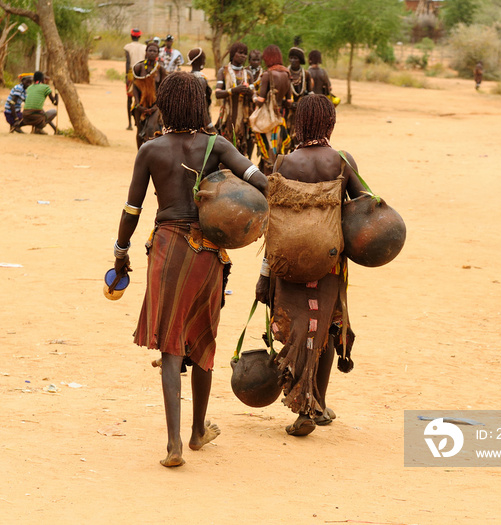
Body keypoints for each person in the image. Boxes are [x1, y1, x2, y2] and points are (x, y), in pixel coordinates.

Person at [109, 72, 268, 467]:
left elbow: (132, 210)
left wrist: (120, 253)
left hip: (166, 249)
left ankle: (174, 445)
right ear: (201, 105)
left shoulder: (151, 150)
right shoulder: (218, 146)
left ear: (164, 104)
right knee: (202, 338)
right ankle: (199, 431)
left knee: (170, 347)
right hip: (207, 252)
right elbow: (260, 181)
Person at [256, 94, 363, 436]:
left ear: (297, 123)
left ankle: (302, 403)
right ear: (330, 123)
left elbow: (273, 222)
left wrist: (264, 276)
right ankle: (317, 403)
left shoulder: (284, 163)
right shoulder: (342, 161)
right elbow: (363, 206)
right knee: (327, 328)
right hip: (329, 264)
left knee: (295, 329)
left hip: (287, 263)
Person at [253, 44, 292, 174]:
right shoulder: (287, 74)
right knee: (279, 151)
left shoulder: (267, 75)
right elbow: (289, 101)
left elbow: (260, 101)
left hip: (268, 120)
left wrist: (252, 95)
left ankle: (268, 182)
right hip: (280, 119)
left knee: (269, 154)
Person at [215, 42, 254, 156]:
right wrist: (233, 91)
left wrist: (249, 92)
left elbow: (253, 95)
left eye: (245, 54)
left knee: (244, 147)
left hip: (244, 119)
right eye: (240, 53)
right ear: (233, 54)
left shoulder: (248, 74)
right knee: (225, 147)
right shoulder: (223, 71)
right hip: (228, 118)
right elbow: (217, 94)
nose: (243, 56)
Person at [132, 42, 167, 148]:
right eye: (150, 51)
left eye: (154, 51)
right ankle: (140, 154)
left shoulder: (160, 70)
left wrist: (156, 107)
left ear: (158, 54)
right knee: (139, 131)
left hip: (155, 106)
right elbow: (134, 87)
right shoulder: (139, 67)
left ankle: (149, 154)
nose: (152, 53)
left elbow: (163, 89)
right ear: (146, 52)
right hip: (140, 104)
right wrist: (138, 105)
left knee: (151, 128)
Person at [286, 47, 312, 149]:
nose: (293, 61)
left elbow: (310, 93)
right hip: (287, 111)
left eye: (295, 58)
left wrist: (302, 104)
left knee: (299, 137)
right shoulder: (285, 73)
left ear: (300, 60)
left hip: (301, 111)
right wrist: (288, 103)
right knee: (286, 137)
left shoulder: (306, 74)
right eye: (291, 58)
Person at [124, 28, 146, 131]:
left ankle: (130, 124)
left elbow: (128, 62)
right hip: (142, 74)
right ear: (139, 36)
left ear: (131, 36)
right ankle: (140, 121)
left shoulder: (127, 47)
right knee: (141, 98)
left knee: (129, 98)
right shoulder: (144, 47)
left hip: (131, 73)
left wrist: (126, 76)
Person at [187, 47, 214, 130]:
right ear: (201, 61)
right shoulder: (200, 80)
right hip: (199, 123)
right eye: (204, 59)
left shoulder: (187, 77)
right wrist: (209, 125)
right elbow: (201, 105)